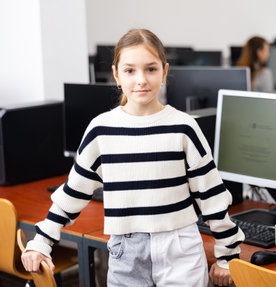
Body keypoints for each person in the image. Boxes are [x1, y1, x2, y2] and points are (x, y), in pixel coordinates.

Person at [21, 28, 244, 287]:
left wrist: (228, 255)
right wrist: (41, 241)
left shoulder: (184, 126)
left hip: (179, 248)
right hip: (126, 250)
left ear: (165, 72)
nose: (141, 80)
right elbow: (73, 193)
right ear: (116, 75)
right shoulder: (100, 129)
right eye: (130, 70)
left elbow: (211, 195)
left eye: (151, 69)